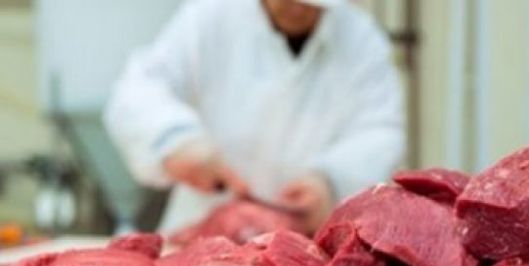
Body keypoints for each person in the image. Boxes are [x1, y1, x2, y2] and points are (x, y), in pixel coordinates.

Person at [105, 0, 405, 234]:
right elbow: (138, 89)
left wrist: (330, 182)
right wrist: (176, 141)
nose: (298, 8)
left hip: (304, 245)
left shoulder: (361, 39)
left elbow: (379, 131)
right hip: (200, 233)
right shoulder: (211, 16)